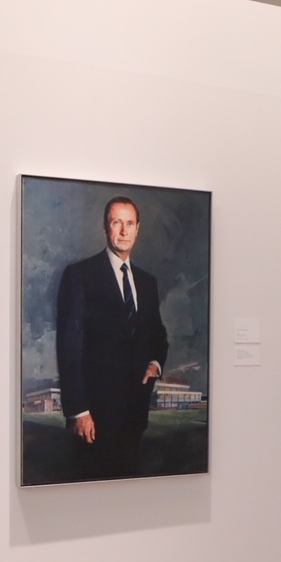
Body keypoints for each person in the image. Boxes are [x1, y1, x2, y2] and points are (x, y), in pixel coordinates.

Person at [56, 196, 169, 479]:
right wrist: (78, 410)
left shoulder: (147, 282)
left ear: (138, 228)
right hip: (94, 417)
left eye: (129, 224)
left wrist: (155, 363)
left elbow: (157, 334)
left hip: (135, 414)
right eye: (117, 223)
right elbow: (69, 348)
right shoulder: (80, 275)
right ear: (105, 227)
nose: (123, 231)